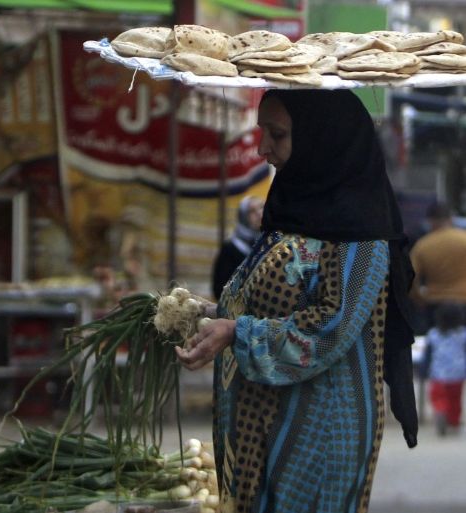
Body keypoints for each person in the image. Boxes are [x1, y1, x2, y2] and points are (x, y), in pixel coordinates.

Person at [175, 89, 418, 513]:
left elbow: (331, 327)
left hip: (318, 432)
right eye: (261, 131)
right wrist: (208, 314)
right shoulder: (289, 213)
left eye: (278, 134)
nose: (262, 147)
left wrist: (236, 331)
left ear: (323, 138)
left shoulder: (361, 237)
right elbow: (272, 302)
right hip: (262, 422)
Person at [409, 201, 466, 333]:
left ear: (429, 221)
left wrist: (419, 299)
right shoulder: (464, 239)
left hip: (435, 304)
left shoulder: (423, 245)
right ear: (451, 218)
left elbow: (411, 277)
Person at [418, 303, 466, 436]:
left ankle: (440, 410)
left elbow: (427, 355)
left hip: (438, 373)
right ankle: (453, 422)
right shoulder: (462, 334)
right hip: (458, 373)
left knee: (438, 397)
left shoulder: (433, 334)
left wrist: (423, 370)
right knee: (455, 399)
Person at [211, 196, 264, 300]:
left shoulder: (270, 244)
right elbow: (219, 290)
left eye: (261, 207)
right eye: (252, 211)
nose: (259, 213)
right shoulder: (231, 248)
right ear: (243, 216)